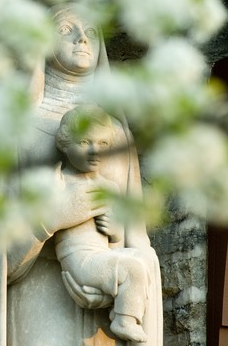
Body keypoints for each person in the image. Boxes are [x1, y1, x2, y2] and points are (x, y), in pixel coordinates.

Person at [0, 3, 163, 346]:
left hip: (107, 303)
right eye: (67, 30)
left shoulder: (119, 136)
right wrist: (52, 218)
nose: (82, 38)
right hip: (43, 292)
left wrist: (119, 256)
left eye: (92, 32)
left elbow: (138, 238)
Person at [55, 104, 149, 343]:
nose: (95, 151)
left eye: (103, 144)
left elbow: (115, 237)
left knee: (141, 263)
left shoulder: (109, 188)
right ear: (64, 144)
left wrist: (115, 229)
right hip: (77, 259)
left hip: (99, 255)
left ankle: (122, 312)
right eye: (85, 143)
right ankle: (124, 320)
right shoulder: (59, 183)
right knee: (133, 269)